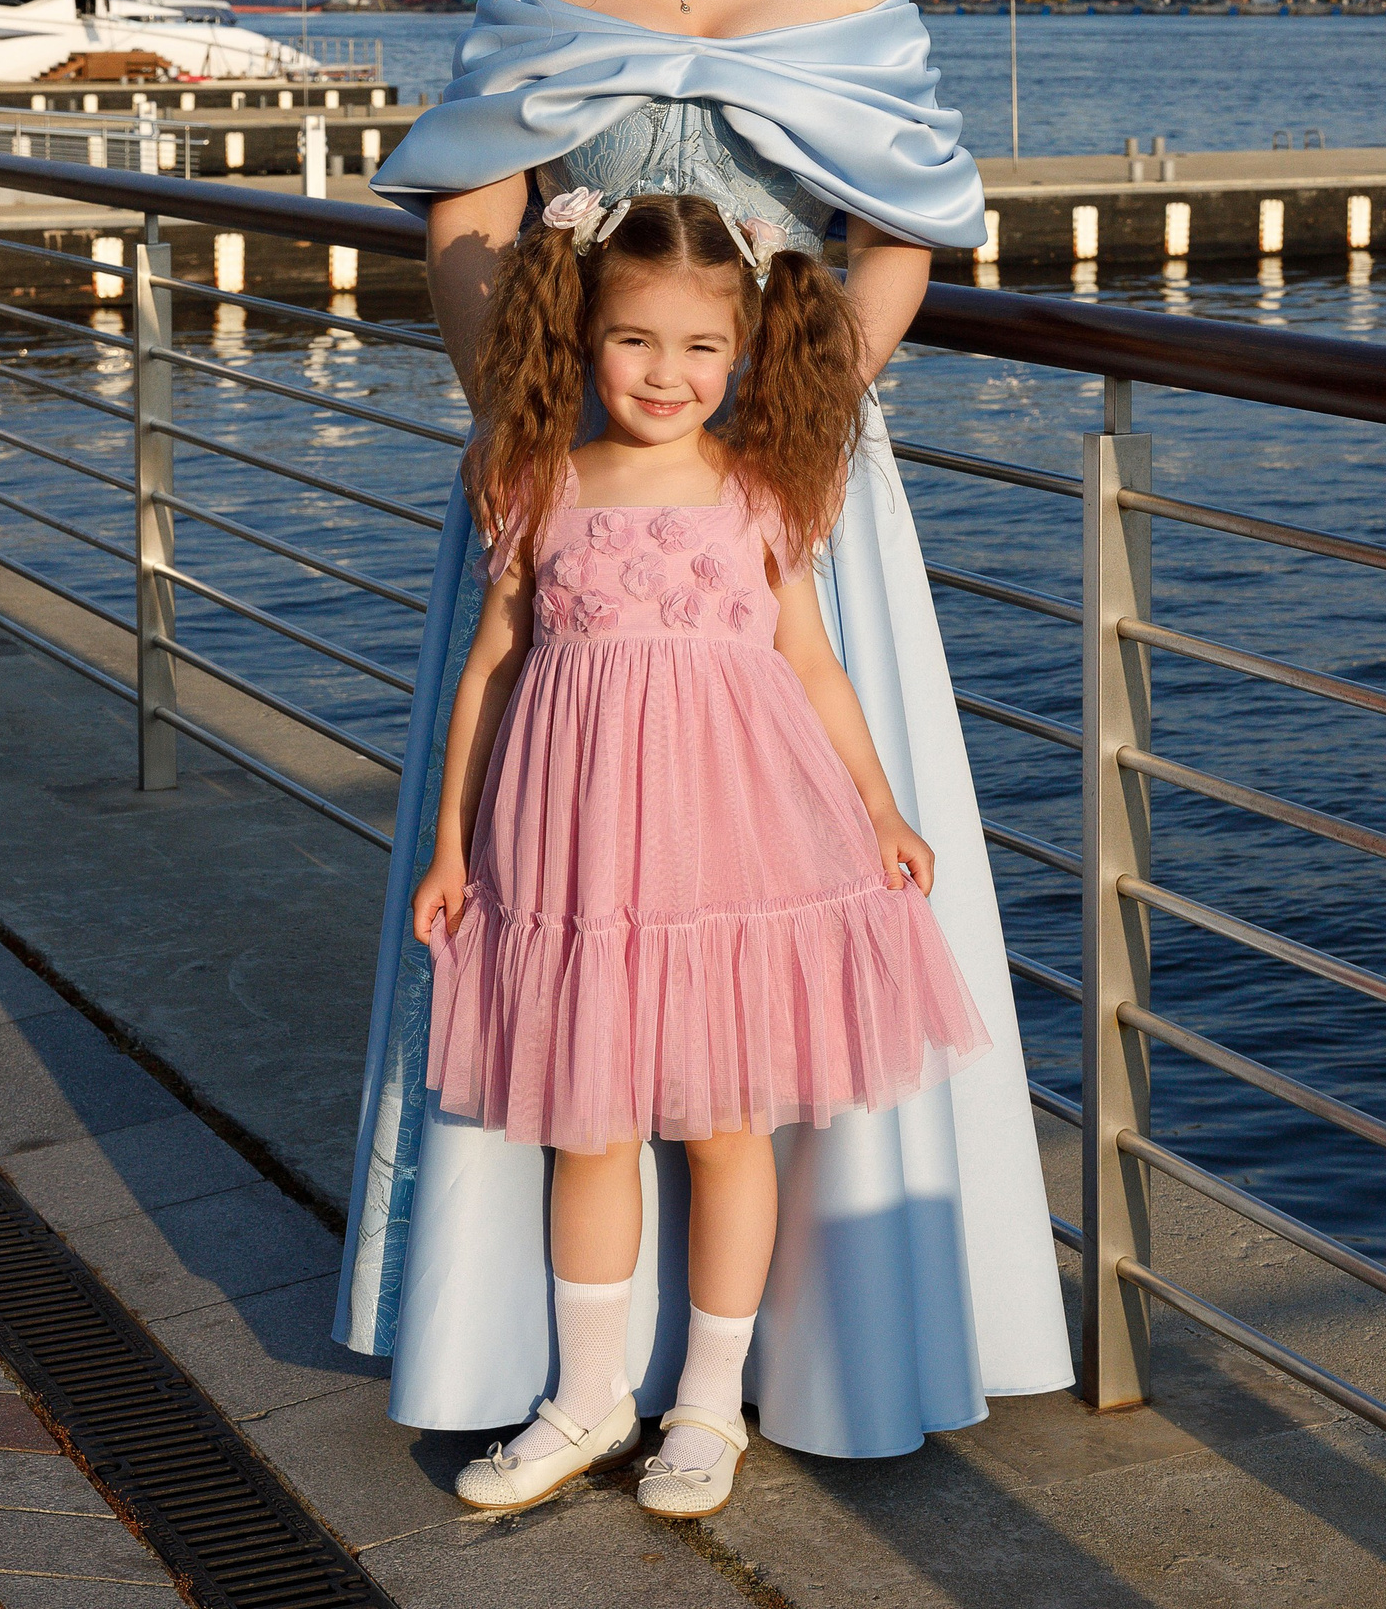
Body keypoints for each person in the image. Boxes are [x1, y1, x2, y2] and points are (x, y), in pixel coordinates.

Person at [336, 0, 1072, 1465]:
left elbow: (903, 230)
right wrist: (520, 415)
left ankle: (779, 1373)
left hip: (783, 492)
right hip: (573, 485)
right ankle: (565, 1371)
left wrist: (799, 424)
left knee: (789, 914)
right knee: (563, 902)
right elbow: (469, 209)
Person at [415, 189, 988, 1516]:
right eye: (635, 341)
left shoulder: (759, 488)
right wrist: (451, 844)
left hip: (733, 844)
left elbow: (813, 666)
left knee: (731, 1128)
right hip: (574, 849)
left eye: (699, 348)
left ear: (742, 351)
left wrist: (881, 808)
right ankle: (586, 1397)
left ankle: (710, 1404)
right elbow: (490, 669)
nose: (665, 374)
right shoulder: (535, 479)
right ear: (585, 336)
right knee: (591, 1128)